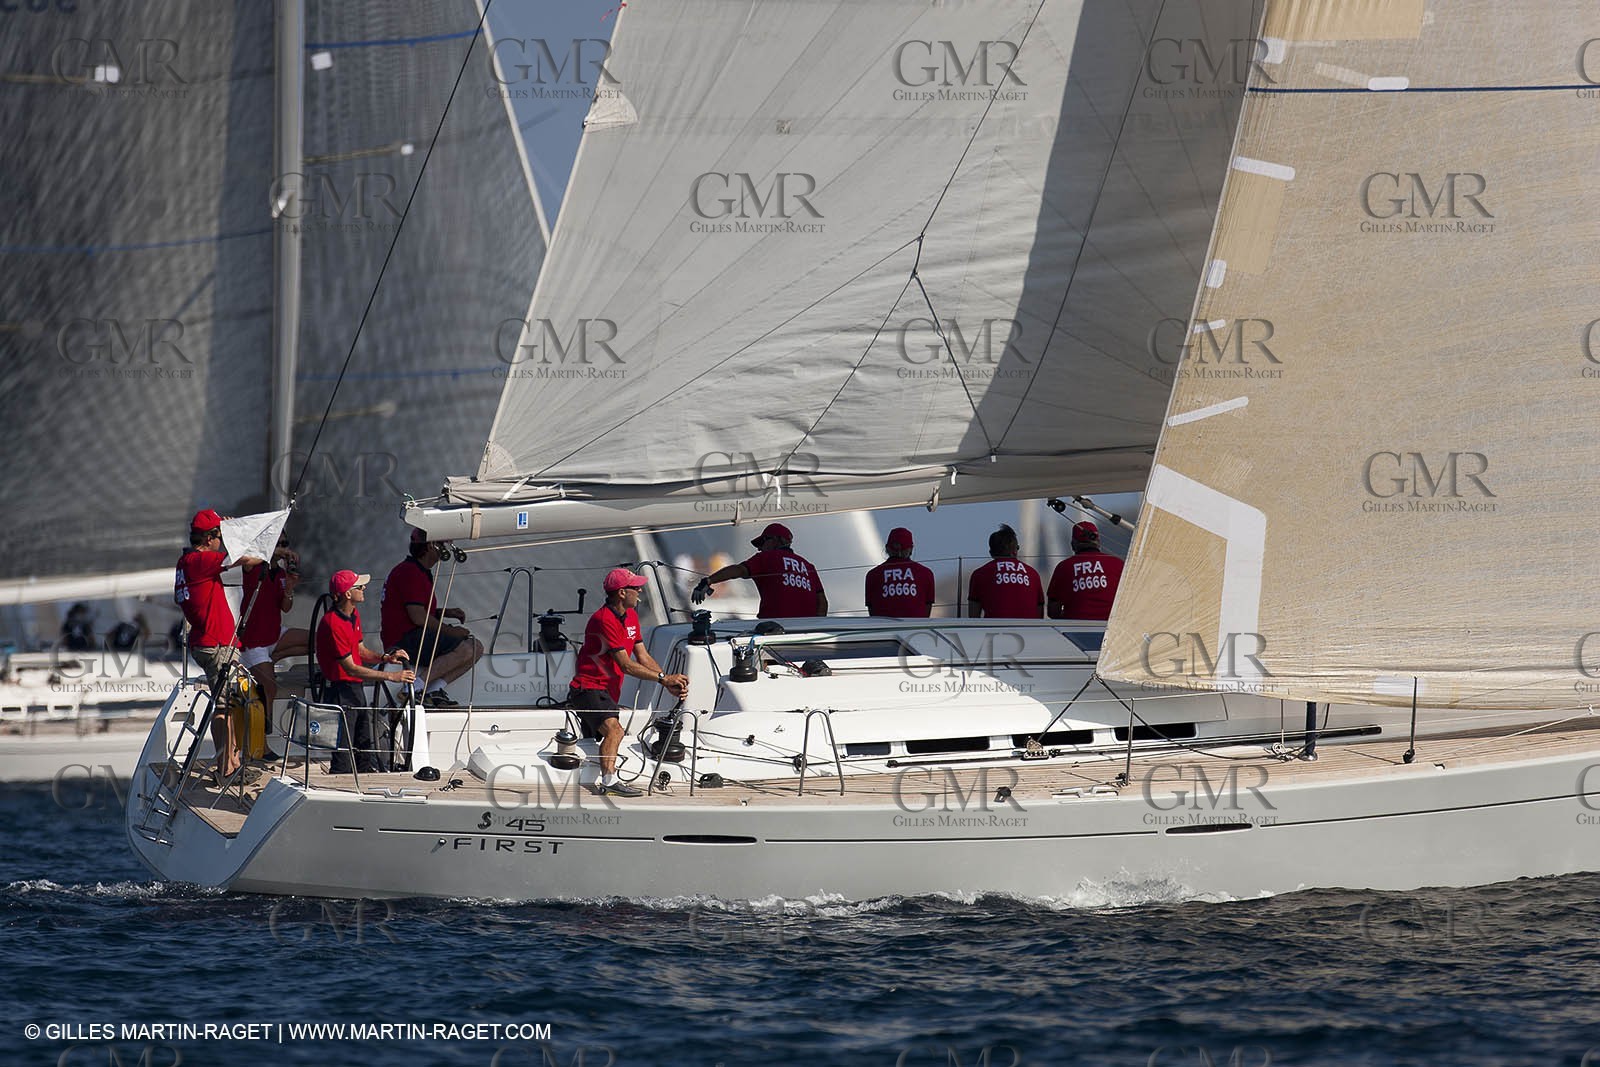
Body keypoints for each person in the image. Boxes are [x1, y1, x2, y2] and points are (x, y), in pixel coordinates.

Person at [568, 568, 689, 797]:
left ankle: (603, 776)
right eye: (635, 587)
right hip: (588, 688)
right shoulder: (604, 619)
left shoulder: (632, 616)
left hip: (607, 691)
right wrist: (665, 678)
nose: (640, 590)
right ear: (622, 593)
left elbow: (643, 657)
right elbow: (625, 665)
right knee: (615, 731)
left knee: (608, 733)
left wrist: (667, 681)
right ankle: (609, 782)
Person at [174, 509, 265, 780]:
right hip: (217, 644)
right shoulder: (201, 561)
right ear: (211, 537)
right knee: (226, 707)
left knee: (225, 704)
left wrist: (224, 531)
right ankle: (227, 767)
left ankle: (230, 760)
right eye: (219, 535)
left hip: (209, 642)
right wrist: (234, 532)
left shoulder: (187, 561)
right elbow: (251, 559)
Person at [317, 570, 414, 775]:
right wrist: (391, 676)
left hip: (354, 687)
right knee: (343, 751)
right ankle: (339, 788)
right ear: (348, 594)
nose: (364, 589)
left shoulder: (353, 614)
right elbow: (350, 666)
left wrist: (385, 658)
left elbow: (359, 650)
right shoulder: (332, 623)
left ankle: (366, 781)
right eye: (359, 587)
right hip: (340, 692)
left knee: (364, 743)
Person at [380, 529, 484, 707]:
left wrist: (447, 612)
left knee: (476, 647)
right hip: (404, 640)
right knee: (467, 649)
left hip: (410, 634)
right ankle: (411, 689)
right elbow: (418, 617)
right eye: (442, 545)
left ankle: (432, 689)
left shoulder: (415, 570)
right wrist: (452, 632)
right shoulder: (410, 572)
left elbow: (414, 609)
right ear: (430, 546)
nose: (445, 550)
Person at [240, 534, 309, 750]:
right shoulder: (254, 566)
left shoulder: (279, 573)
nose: (283, 549)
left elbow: (285, 607)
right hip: (254, 641)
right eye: (279, 544)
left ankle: (275, 656)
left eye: (285, 544)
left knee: (318, 640)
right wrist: (275, 551)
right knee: (269, 687)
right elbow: (246, 557)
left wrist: (289, 587)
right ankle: (262, 742)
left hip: (273, 634)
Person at [692, 522, 827, 618]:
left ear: (776, 540)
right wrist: (816, 626)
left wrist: (709, 580)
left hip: (776, 629)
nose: (759, 548)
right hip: (807, 632)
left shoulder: (766, 557)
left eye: (763, 542)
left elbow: (738, 570)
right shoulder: (808, 566)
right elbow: (822, 602)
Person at [1048, 521, 1125, 621]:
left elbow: (1053, 611)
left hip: (1075, 632)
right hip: (1112, 629)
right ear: (1098, 541)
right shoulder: (1118, 564)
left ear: (1073, 544)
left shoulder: (1064, 567)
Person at [966, 523, 1043, 618]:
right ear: (1015, 551)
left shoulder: (979, 574)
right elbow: (1039, 616)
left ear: (991, 553)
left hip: (994, 630)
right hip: (1029, 631)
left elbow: (973, 617)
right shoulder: (1033, 574)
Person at [864, 527, 936, 618]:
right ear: (911, 548)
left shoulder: (872, 575)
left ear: (887, 548)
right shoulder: (926, 573)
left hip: (883, 629)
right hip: (916, 629)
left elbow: (872, 611)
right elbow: (926, 612)